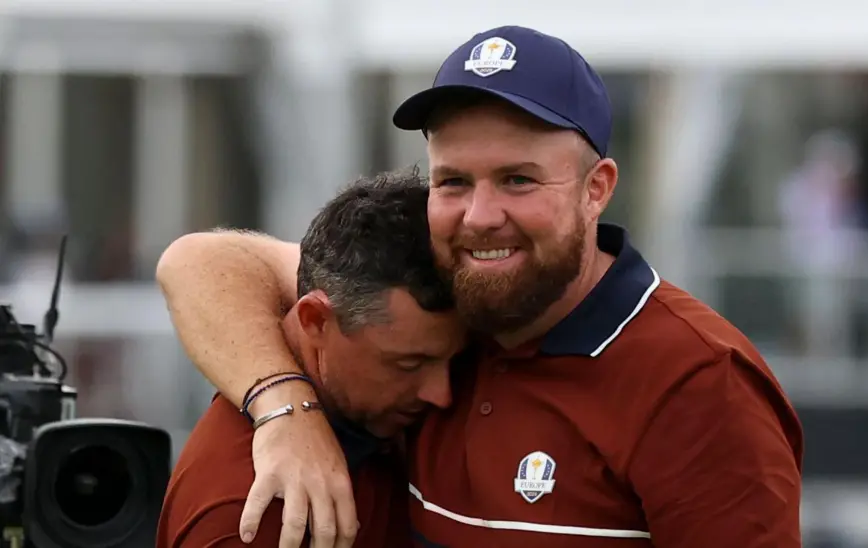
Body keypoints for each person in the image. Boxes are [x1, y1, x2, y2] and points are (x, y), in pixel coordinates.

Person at [157, 25, 804, 548]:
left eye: (518, 180)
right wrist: (284, 409)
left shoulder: (699, 382)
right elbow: (199, 261)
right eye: (454, 182)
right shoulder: (444, 305)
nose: (481, 215)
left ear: (596, 189)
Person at [156, 169, 467, 548]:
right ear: (316, 321)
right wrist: (285, 407)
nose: (442, 394)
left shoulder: (371, 415)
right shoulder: (254, 515)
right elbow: (193, 260)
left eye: (456, 361)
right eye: (408, 365)